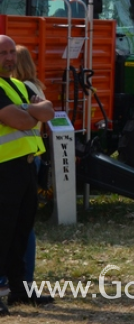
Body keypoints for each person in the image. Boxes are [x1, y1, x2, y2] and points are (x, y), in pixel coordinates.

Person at [0, 35, 55, 307]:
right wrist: (32, 112)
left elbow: (49, 111)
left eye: (11, 52)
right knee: (3, 232)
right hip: (4, 169)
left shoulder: (20, 86)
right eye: (2, 53)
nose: (9, 58)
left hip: (25, 167)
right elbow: (18, 119)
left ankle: (19, 290)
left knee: (21, 231)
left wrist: (29, 110)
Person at [10, 46, 45, 290]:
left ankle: (18, 279)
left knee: (18, 224)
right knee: (25, 224)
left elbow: (23, 120)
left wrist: (22, 111)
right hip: (31, 156)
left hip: (20, 159)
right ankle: (24, 279)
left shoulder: (23, 90)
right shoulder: (34, 89)